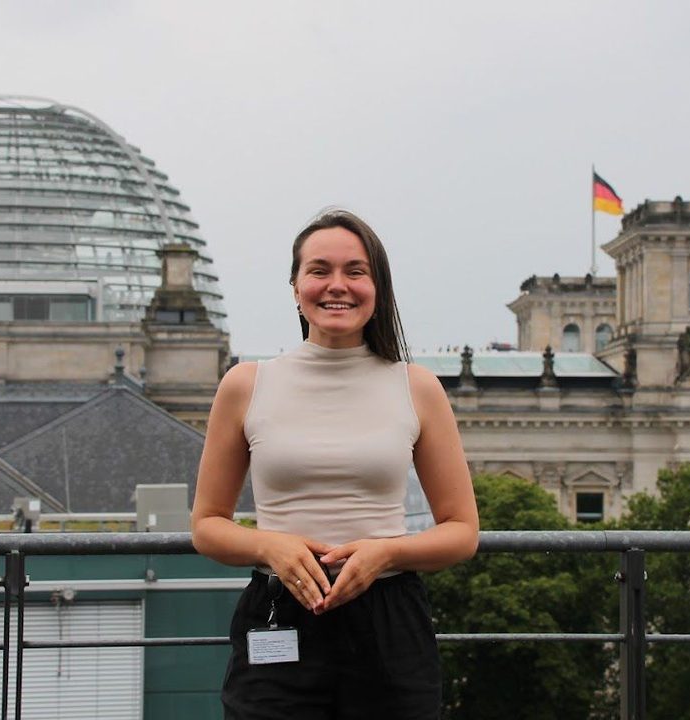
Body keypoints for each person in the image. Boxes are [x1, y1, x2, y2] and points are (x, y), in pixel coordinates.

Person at [191, 208, 480, 719]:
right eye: (319, 270)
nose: (337, 286)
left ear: (378, 288)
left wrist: (386, 555)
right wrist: (270, 545)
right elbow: (207, 525)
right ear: (295, 287)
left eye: (355, 271)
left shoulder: (417, 387)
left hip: (389, 618)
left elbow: (462, 531)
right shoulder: (245, 384)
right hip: (279, 609)